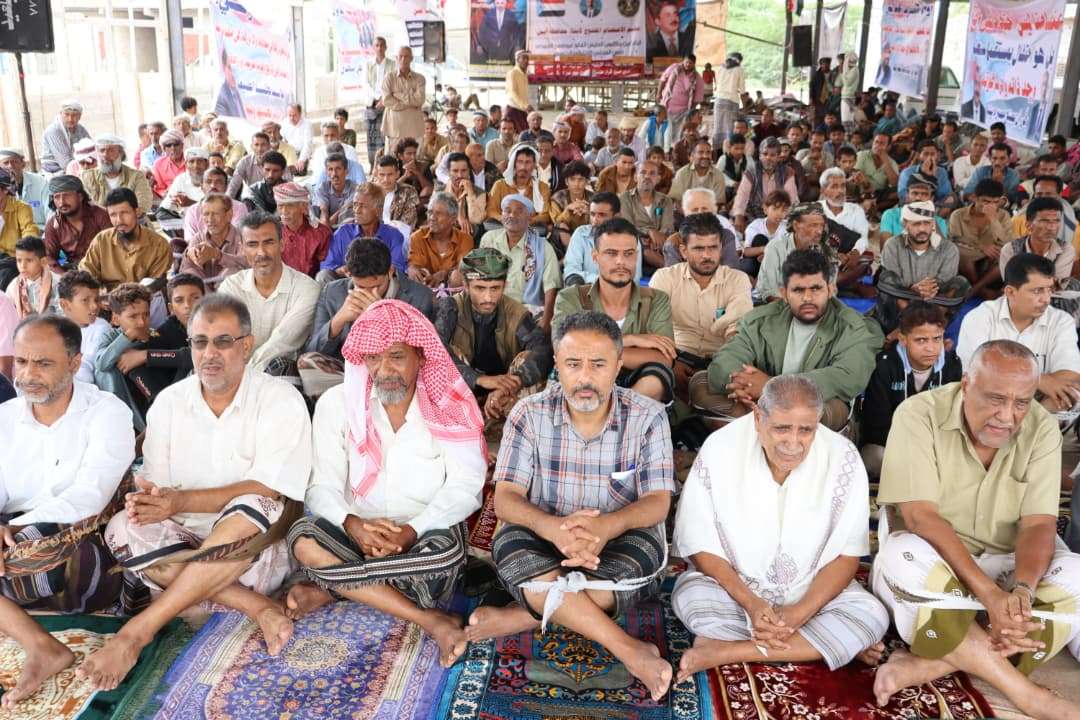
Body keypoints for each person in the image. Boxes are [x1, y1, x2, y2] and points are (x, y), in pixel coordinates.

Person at [79, 293, 311, 692]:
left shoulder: (280, 399)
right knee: (121, 527)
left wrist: (181, 501)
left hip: (250, 553)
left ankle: (137, 632)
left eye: (223, 341)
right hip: (186, 543)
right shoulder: (170, 403)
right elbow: (156, 483)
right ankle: (254, 606)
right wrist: (147, 500)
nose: (209, 354)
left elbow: (269, 488)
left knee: (256, 505)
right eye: (200, 342)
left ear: (247, 345)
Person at [464, 310, 677, 702]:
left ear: (618, 366)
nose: (585, 378)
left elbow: (657, 502)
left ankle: (524, 616)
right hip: (543, 536)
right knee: (511, 549)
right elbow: (507, 498)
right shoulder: (528, 414)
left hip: (616, 541)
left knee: (633, 565)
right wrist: (553, 529)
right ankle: (628, 649)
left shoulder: (647, 417)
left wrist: (606, 527)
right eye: (573, 364)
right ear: (557, 365)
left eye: (598, 365)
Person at [870, 340, 1080, 719]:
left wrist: (1022, 593)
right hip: (935, 566)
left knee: (1076, 574)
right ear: (966, 384)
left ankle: (934, 662)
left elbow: (1039, 523)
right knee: (900, 557)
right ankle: (1026, 693)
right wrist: (989, 596)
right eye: (996, 399)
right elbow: (920, 518)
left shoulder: (1042, 428)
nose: (1007, 416)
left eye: (1021, 402)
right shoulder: (918, 414)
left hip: (1006, 567)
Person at [287, 298, 486, 668]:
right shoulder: (337, 404)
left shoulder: (448, 404)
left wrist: (411, 531)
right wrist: (353, 525)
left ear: (421, 357)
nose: (384, 370)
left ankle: (334, 589)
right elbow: (321, 486)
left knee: (442, 558)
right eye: (373, 358)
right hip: (355, 531)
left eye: (396, 356)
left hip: (424, 531)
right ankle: (428, 619)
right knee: (303, 538)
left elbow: (467, 485)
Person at [672, 375, 888, 681]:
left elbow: (847, 557)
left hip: (810, 594)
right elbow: (699, 544)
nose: (793, 442)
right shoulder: (721, 447)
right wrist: (751, 603)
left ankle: (726, 651)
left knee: (872, 616)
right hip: (736, 594)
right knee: (692, 600)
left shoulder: (844, 458)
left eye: (806, 430)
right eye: (782, 428)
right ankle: (819, 645)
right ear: (758, 418)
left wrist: (799, 613)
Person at [0, 315, 134, 708]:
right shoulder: (5, 418)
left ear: (75, 363)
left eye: (43, 363)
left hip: (78, 550)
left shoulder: (107, 413)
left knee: (33, 548)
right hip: (14, 550)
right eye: (21, 362)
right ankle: (42, 646)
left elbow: (89, 498)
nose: (28, 375)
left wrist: (16, 528)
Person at [690, 249, 883, 431]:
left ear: (831, 289)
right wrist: (748, 386)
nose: (807, 298)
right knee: (701, 383)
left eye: (816, 289)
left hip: (813, 404)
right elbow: (726, 360)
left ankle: (759, 424)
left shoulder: (853, 327)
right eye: (798, 290)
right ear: (784, 293)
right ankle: (766, 423)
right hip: (758, 400)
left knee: (826, 409)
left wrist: (772, 388)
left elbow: (849, 376)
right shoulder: (761, 320)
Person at [553, 219, 675, 403]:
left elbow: (664, 359)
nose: (620, 261)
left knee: (657, 378)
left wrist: (594, 352)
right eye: (611, 253)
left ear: (637, 256)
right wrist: (628, 340)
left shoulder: (656, 299)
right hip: (585, 381)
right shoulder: (571, 298)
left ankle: (615, 413)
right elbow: (563, 349)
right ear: (595, 257)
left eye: (628, 254)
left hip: (636, 383)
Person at [300, 239, 433, 399]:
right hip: (346, 373)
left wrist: (380, 317)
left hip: (393, 372)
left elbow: (421, 356)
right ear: (349, 274)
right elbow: (312, 350)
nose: (369, 294)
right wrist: (338, 320)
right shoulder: (332, 293)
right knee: (307, 362)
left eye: (376, 287)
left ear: (390, 271)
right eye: (361, 287)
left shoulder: (419, 296)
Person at [434, 248, 553, 420]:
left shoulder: (515, 312)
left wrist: (514, 381)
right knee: (445, 351)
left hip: (503, 394)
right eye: (480, 288)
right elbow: (433, 350)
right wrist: (479, 379)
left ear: (505, 285)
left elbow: (542, 349)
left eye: (495, 288)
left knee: (527, 358)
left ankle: (516, 424)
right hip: (462, 391)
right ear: (466, 286)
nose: (488, 298)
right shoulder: (451, 308)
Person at [957, 253, 1080, 413]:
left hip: (1039, 407)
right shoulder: (980, 317)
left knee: (1070, 393)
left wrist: (1014, 385)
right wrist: (1039, 381)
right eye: (1037, 291)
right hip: (990, 403)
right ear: (1010, 292)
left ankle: (1028, 424)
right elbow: (979, 373)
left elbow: (1069, 376)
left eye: (1049, 290)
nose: (1046, 299)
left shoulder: (1061, 321)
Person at [649, 213, 753, 396]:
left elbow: (737, 333)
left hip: (722, 359)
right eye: (698, 248)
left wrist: (725, 369)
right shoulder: (665, 278)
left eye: (713, 248)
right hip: (675, 355)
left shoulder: (738, 280)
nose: (707, 255)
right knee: (654, 383)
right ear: (683, 251)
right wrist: (671, 363)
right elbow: (653, 329)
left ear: (721, 248)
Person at [860, 301, 962, 476]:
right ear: (903, 339)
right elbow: (876, 425)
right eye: (921, 340)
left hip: (933, 446)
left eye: (937, 339)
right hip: (890, 444)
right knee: (874, 457)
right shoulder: (884, 366)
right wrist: (912, 448)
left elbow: (952, 419)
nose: (930, 348)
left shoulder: (952, 366)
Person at [217, 210, 320, 375]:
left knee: (279, 364)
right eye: (252, 244)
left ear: (282, 244)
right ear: (242, 248)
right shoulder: (231, 287)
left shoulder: (307, 289)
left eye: (269, 242)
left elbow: (282, 342)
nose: (262, 253)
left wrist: (245, 378)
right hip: (234, 372)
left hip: (280, 377)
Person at [875, 200, 971, 334]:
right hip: (898, 313)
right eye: (916, 224)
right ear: (905, 224)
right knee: (886, 278)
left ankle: (922, 326)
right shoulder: (892, 245)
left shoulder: (949, 249)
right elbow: (893, 284)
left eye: (927, 223)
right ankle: (917, 326)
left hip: (933, 307)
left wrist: (926, 288)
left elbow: (943, 284)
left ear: (933, 224)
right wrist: (913, 289)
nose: (922, 229)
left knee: (961, 283)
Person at [479, 194, 562, 331]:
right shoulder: (489, 239)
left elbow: (551, 287)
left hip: (527, 310)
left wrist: (547, 320)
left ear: (529, 217)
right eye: (507, 211)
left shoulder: (542, 247)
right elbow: (479, 275)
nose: (512, 215)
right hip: (492, 305)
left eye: (519, 211)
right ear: (502, 215)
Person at [998, 197, 1080, 319]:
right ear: (1028, 225)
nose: (1052, 227)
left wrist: (1031, 284)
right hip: (1022, 300)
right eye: (1044, 221)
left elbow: (1055, 285)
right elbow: (1013, 284)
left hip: (1054, 299)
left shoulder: (1065, 249)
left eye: (1056, 221)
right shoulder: (1010, 249)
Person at [79, 188, 170, 291]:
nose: (119, 220)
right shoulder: (101, 240)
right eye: (113, 215)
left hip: (143, 298)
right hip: (108, 299)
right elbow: (86, 274)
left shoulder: (159, 244)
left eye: (124, 213)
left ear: (137, 212)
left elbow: (156, 282)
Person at [320, 184, 407, 282]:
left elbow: (398, 268)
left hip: (380, 284)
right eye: (355, 204)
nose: (357, 210)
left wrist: (372, 273)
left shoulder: (393, 235)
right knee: (323, 275)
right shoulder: (343, 232)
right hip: (347, 284)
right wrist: (340, 270)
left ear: (378, 210)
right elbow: (326, 265)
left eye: (363, 206)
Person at [950, 178, 1013, 298]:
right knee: (964, 256)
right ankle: (982, 291)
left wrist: (993, 219)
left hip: (989, 261)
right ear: (974, 198)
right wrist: (981, 246)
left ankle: (975, 289)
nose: (990, 206)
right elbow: (954, 239)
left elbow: (1007, 241)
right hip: (966, 258)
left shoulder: (1003, 215)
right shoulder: (958, 214)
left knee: (1008, 255)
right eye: (985, 201)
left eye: (995, 202)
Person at [42, 175, 110, 274]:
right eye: (57, 197)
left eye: (67, 196)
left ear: (80, 196)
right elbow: (49, 257)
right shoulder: (53, 224)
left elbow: (113, 248)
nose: (61, 202)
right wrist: (64, 277)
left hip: (103, 269)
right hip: (73, 272)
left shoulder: (100, 215)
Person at [732, 137, 799, 234]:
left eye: (772, 155)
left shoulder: (787, 172)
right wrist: (738, 216)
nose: (768, 158)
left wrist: (790, 218)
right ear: (760, 156)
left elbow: (791, 198)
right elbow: (742, 195)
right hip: (754, 214)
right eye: (765, 154)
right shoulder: (751, 171)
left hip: (779, 213)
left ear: (778, 157)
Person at [408, 192, 475, 289]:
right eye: (430, 212)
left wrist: (444, 274)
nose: (432, 218)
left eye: (438, 213)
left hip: (454, 290)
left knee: (457, 276)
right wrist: (415, 270)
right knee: (413, 274)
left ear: (453, 218)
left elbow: (463, 268)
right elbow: (415, 264)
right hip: (427, 288)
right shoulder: (417, 237)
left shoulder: (465, 239)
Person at [179, 194, 246, 288]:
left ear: (229, 215)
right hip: (204, 292)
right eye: (206, 214)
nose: (210, 220)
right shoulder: (198, 238)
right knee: (190, 274)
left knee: (232, 273)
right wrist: (189, 255)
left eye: (216, 214)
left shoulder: (242, 237)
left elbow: (247, 263)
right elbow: (186, 270)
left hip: (232, 293)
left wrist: (218, 255)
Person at [619, 160, 675, 272]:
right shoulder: (625, 198)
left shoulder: (665, 200)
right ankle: (671, 271)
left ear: (658, 179)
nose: (647, 176)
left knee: (674, 243)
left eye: (652, 173)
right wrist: (649, 232)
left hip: (662, 241)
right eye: (643, 172)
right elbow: (627, 226)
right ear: (635, 177)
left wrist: (657, 238)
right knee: (642, 247)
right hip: (637, 241)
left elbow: (667, 226)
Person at [56, 271, 109, 384]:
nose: (95, 306)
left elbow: (85, 371)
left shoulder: (101, 329)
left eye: (96, 300)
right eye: (85, 300)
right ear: (65, 305)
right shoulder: (53, 329)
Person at [80, 135, 153, 215]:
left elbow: (142, 205)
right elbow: (84, 206)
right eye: (102, 150)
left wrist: (111, 213)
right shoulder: (87, 177)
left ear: (120, 153)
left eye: (111, 150)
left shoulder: (136, 176)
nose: (105, 155)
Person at [486, 144, 552, 227]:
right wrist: (503, 219)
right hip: (503, 227)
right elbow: (490, 210)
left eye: (528, 162)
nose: (523, 167)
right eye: (520, 162)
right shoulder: (500, 185)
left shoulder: (542, 187)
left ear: (534, 165)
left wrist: (530, 220)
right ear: (514, 164)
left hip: (529, 228)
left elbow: (545, 215)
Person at [381, 47, 425, 154]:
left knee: (415, 159)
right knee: (393, 160)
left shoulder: (419, 78)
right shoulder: (389, 77)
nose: (403, 59)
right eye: (400, 56)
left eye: (406, 56)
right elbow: (386, 100)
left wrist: (398, 95)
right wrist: (409, 103)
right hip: (394, 128)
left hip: (415, 128)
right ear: (396, 58)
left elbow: (419, 100)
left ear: (411, 58)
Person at [6, 236, 59, 318]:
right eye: (19, 260)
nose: (23, 266)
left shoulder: (57, 283)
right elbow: (7, 316)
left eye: (29, 260)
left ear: (43, 261)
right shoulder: (14, 287)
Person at [364, 39, 396, 168]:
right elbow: (365, 84)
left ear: (386, 47)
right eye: (377, 45)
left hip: (387, 105)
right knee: (371, 137)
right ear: (373, 47)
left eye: (382, 45)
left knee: (386, 136)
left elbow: (394, 84)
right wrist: (376, 98)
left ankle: (385, 166)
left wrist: (384, 100)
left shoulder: (393, 64)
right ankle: (373, 166)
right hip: (371, 104)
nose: (379, 48)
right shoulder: (367, 64)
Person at [659, 54, 704, 143]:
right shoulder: (674, 68)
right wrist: (658, 94)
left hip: (683, 111)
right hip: (667, 106)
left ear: (694, 64)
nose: (688, 64)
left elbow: (697, 98)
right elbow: (663, 80)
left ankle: (676, 147)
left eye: (690, 63)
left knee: (679, 133)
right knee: (665, 132)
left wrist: (690, 111)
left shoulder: (697, 78)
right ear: (683, 61)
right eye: (686, 62)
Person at [549, 161, 593, 252]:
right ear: (566, 181)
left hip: (587, 236)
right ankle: (573, 254)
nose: (576, 184)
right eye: (572, 179)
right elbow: (556, 221)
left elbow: (601, 221)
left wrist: (589, 213)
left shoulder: (594, 199)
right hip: (563, 241)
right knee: (561, 226)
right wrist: (568, 210)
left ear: (586, 181)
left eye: (580, 179)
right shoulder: (557, 198)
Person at [0, 148, 50, 226]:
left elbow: (50, 211)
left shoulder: (41, 182)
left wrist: (49, 230)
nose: (10, 166)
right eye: (6, 163)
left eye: (14, 162)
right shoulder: (2, 188)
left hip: (40, 229)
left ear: (23, 164)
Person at [669, 139, 726, 206]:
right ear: (691, 156)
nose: (705, 156)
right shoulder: (682, 174)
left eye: (708, 152)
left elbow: (718, 203)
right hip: (685, 210)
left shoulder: (718, 175)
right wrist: (688, 212)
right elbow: (677, 200)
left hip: (710, 210)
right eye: (700, 152)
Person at [41, 100, 91, 174]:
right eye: (67, 114)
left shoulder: (81, 129)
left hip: (77, 165)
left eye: (74, 115)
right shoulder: (54, 130)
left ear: (79, 116)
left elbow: (91, 149)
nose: (70, 119)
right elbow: (65, 163)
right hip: (55, 169)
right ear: (61, 114)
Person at [157, 147, 208, 218]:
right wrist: (173, 201)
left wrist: (191, 203)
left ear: (206, 164)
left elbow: (216, 208)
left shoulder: (214, 179)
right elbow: (166, 205)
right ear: (186, 165)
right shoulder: (181, 179)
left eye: (199, 161)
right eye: (191, 162)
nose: (196, 166)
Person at [375, 156, 420, 230]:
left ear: (397, 174)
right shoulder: (369, 192)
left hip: (399, 234)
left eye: (390, 174)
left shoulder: (408, 191)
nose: (386, 179)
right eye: (382, 175)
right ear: (376, 174)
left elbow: (408, 222)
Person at [712, 53, 745, 145]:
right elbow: (742, 91)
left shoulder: (720, 68)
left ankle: (717, 149)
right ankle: (728, 149)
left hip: (718, 101)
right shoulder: (739, 69)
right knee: (730, 129)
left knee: (718, 128)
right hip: (732, 101)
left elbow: (718, 85)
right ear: (739, 61)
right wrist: (745, 107)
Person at [149, 130, 187, 198]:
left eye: (176, 144)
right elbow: (159, 188)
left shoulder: (191, 160)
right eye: (169, 145)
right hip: (170, 197)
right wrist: (165, 193)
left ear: (182, 146)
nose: (173, 148)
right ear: (164, 149)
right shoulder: (158, 164)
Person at [504, 50, 531, 133]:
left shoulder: (525, 74)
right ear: (517, 60)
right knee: (521, 134)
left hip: (522, 110)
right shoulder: (512, 73)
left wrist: (526, 106)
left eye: (527, 58)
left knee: (525, 134)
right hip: (513, 109)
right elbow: (513, 92)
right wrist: (526, 105)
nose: (526, 61)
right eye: (524, 58)